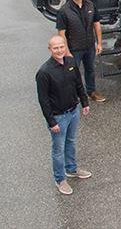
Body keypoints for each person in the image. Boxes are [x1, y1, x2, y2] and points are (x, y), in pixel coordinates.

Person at [35, 35, 91, 196]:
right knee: (58, 149)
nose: (59, 50)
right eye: (55, 48)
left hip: (73, 111)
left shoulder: (71, 62)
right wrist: (51, 122)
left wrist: (84, 102)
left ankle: (71, 169)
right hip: (58, 117)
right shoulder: (44, 72)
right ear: (50, 49)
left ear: (65, 47)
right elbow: (43, 100)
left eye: (61, 47)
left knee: (71, 142)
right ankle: (60, 179)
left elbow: (78, 84)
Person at [56, 0, 106, 102]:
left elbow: (97, 24)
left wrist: (99, 43)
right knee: (72, 73)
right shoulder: (64, 11)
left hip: (89, 46)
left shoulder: (90, 5)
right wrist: (66, 51)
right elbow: (61, 33)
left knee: (90, 70)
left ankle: (91, 92)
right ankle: (73, 96)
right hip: (74, 49)